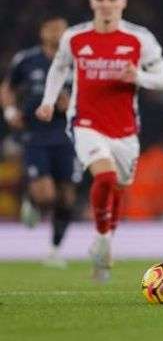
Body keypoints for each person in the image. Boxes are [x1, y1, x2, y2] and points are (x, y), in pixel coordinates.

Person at [36, 0, 163, 281]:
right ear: (91, 3)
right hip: (86, 122)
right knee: (106, 176)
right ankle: (101, 238)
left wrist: (138, 76)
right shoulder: (75, 37)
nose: (106, 4)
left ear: (123, 2)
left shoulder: (139, 38)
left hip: (125, 129)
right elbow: (58, 67)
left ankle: (106, 242)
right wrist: (48, 101)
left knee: (118, 186)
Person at [1, 16, 80, 268]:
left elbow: (93, 96)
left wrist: (72, 106)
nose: (57, 34)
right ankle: (33, 201)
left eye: (62, 30)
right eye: (52, 29)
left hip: (69, 135)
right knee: (46, 196)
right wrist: (10, 112)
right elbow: (7, 88)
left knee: (66, 197)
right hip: (36, 134)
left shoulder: (79, 61)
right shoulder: (27, 59)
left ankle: (54, 250)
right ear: (42, 32)